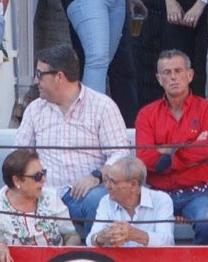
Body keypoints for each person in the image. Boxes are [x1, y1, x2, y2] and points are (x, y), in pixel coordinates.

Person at [15, 44, 130, 238]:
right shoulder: (35, 110)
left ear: (59, 76)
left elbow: (120, 154)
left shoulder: (102, 106)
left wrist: (95, 177)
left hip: (86, 194)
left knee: (98, 199)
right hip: (44, 194)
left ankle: (95, 257)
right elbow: (19, 154)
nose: (36, 81)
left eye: (40, 74)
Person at [134, 49, 208, 245]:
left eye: (178, 71)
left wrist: (165, 153)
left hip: (197, 193)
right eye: (167, 72)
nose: (173, 77)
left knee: (207, 224)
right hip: (157, 193)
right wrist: (189, 149)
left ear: (190, 75)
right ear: (158, 78)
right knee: (144, 233)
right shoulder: (147, 114)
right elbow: (144, 158)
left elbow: (205, 152)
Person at [0, 147, 81, 256]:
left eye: (43, 173)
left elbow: (71, 235)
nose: (44, 179)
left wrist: (65, 255)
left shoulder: (51, 198)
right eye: (37, 176)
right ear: (17, 181)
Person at [86, 157, 173, 247]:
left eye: (112, 182)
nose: (107, 186)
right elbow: (90, 241)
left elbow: (167, 241)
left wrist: (134, 234)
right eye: (106, 180)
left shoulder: (161, 200)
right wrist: (99, 238)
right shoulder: (106, 201)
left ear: (133, 185)